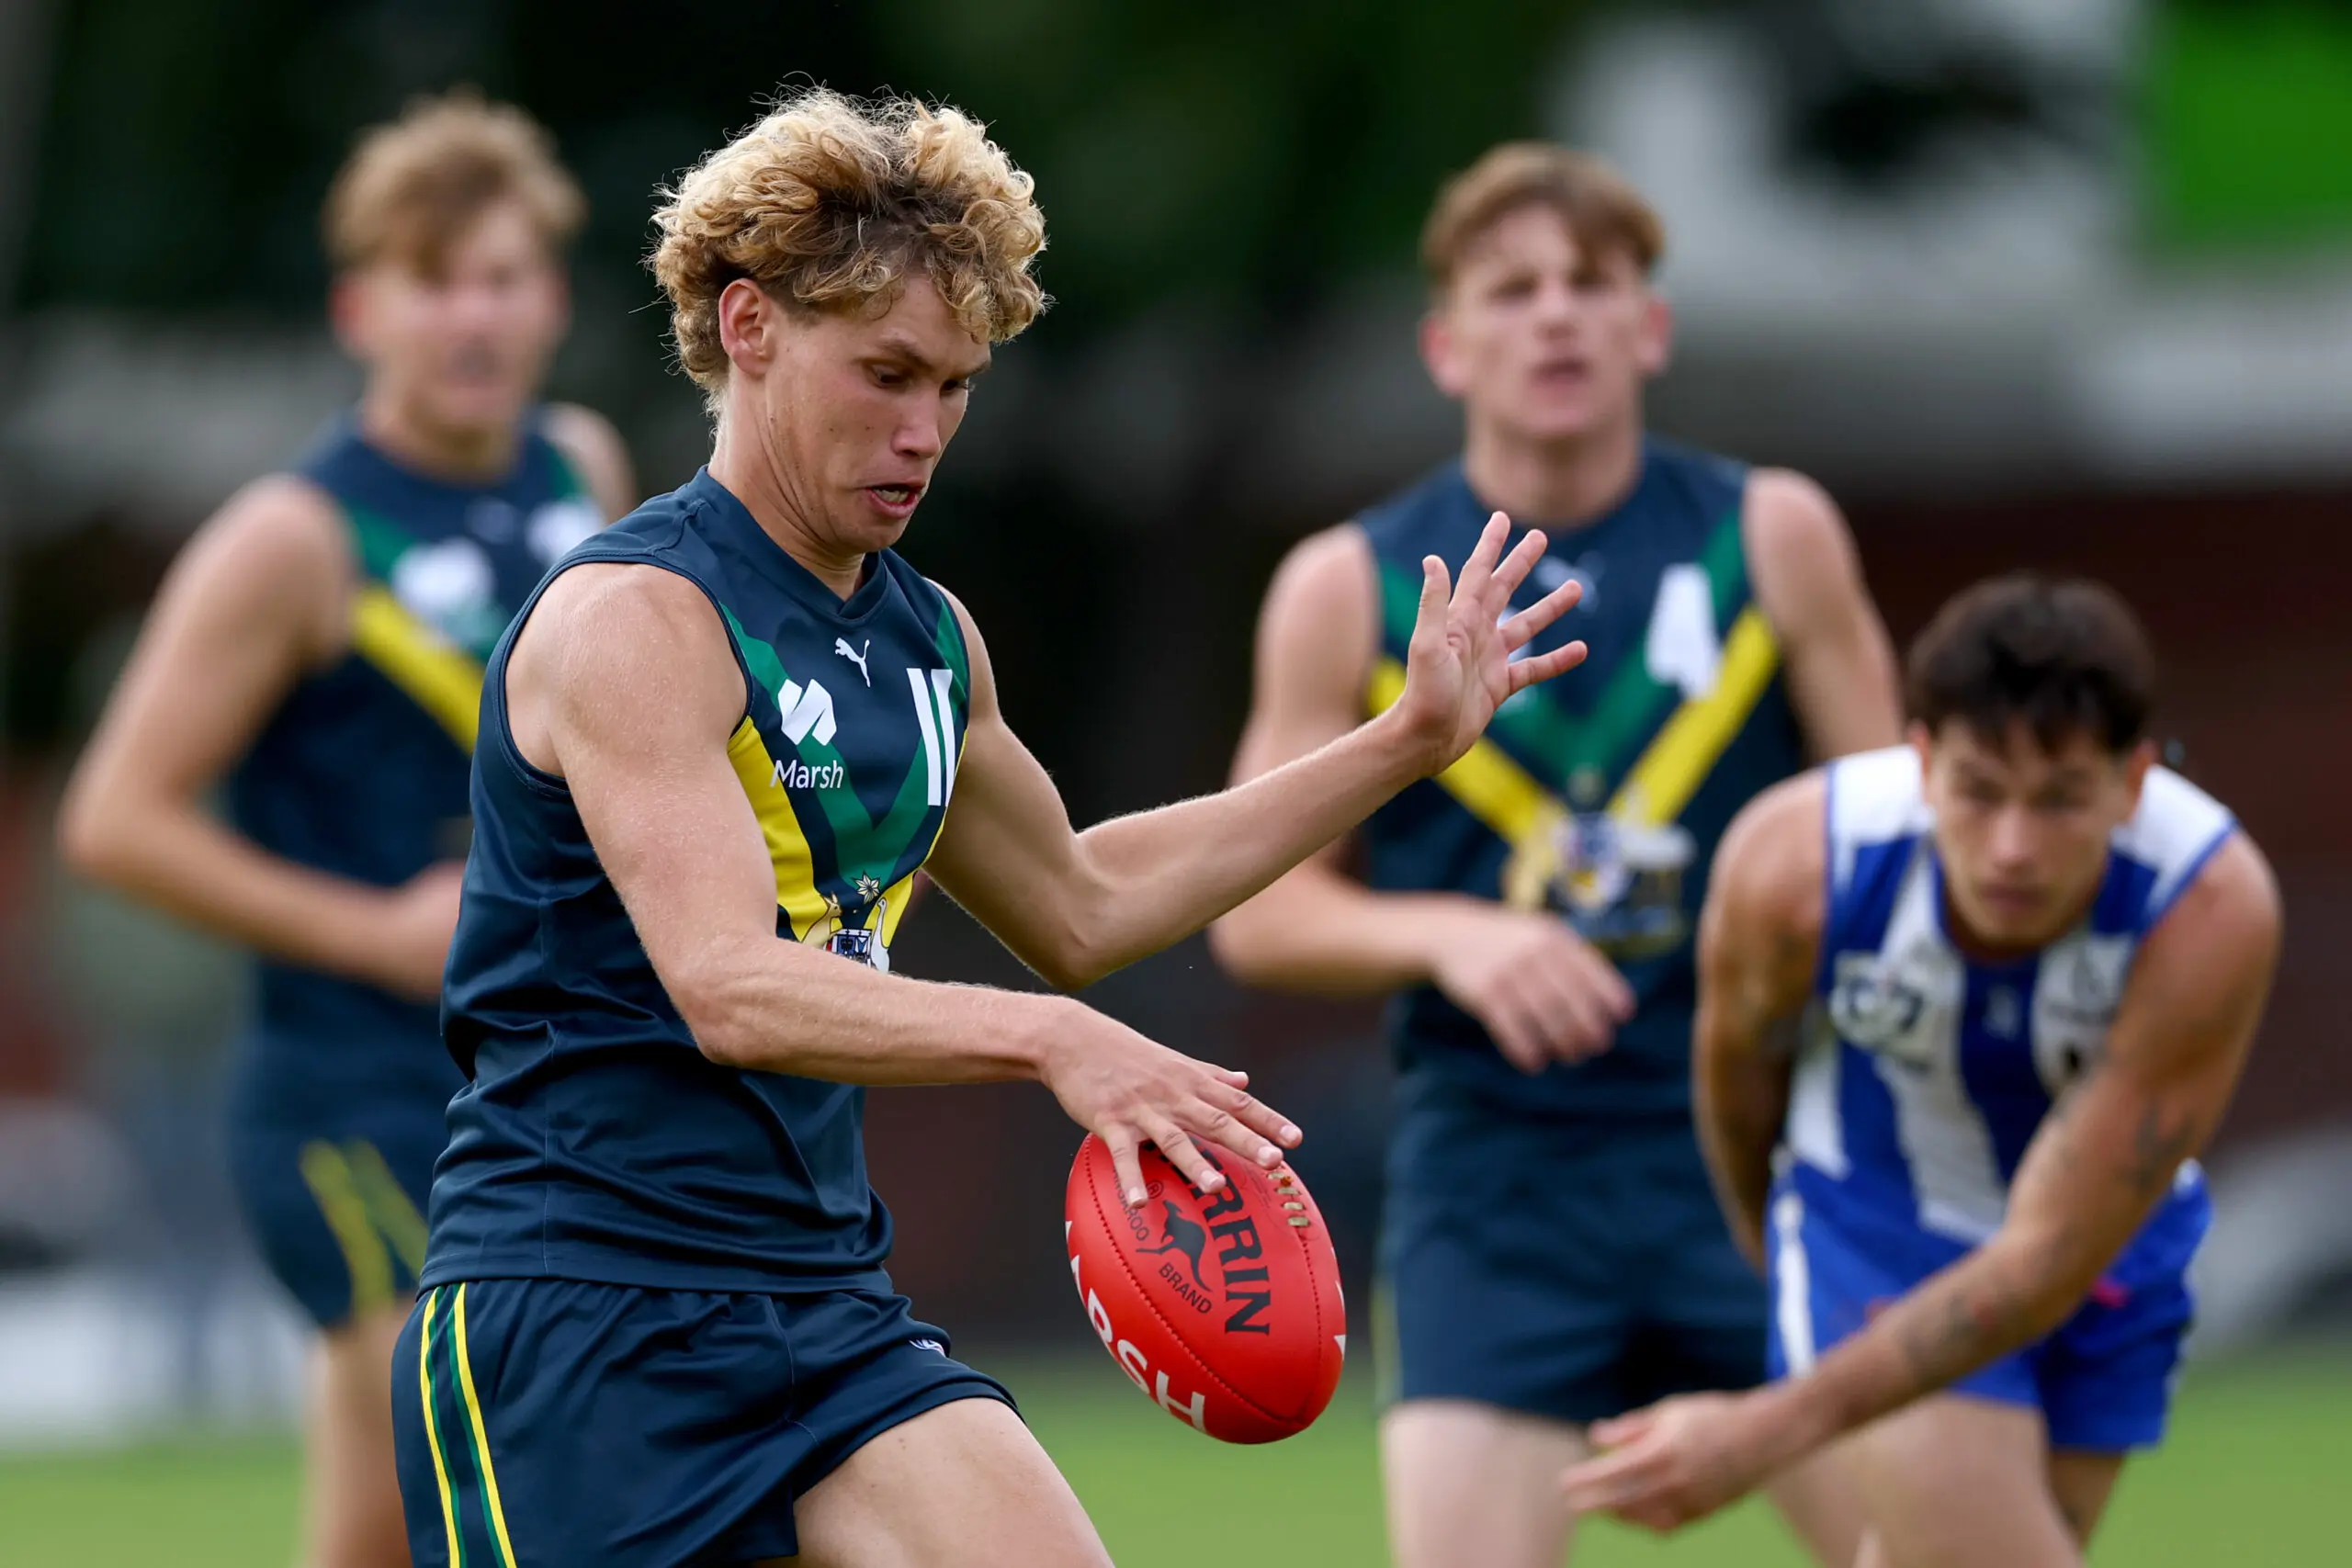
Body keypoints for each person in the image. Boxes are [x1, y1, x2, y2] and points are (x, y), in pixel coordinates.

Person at [384, 88, 1590, 1568]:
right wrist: (1048, 1038)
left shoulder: (928, 641)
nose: (923, 429)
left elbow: (1080, 899)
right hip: (578, 1317)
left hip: (820, 1302)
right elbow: (727, 982)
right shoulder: (641, 618)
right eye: (885, 372)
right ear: (750, 327)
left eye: (954, 386)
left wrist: (1402, 743)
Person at [1207, 143, 1900, 1568]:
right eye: (1512, 290)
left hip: (1760, 1147)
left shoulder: (1773, 532)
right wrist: (1454, 935)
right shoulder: (1346, 582)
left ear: (1649, 327)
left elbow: (1891, 840)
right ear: (1447, 347)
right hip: (1497, 1173)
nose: (1557, 316)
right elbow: (1256, 911)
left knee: (1923, 1550)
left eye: (1593, 284)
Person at [58, 93, 632, 1568]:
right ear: (361, 307)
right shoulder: (292, 537)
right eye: (436, 282)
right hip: (348, 1086)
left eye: (502, 278)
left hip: (542, 1072)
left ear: (551, 298)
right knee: (425, 1463)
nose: (473, 315)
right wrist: (369, 928)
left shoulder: (583, 471)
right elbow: (114, 817)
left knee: (465, 1496)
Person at [1561, 575, 2282, 1567]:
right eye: (1979, 792)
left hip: (2102, 1246)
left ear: (2132, 782)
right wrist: (1783, 1267)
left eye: (2061, 800)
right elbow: (1735, 1082)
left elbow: (2043, 1262)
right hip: (1878, 1222)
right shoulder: (1794, 869)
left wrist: (1759, 1430)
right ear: (1921, 760)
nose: (2012, 849)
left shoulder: (2205, 908)